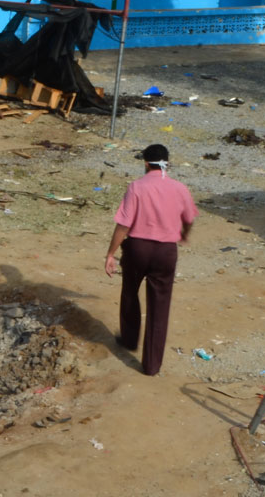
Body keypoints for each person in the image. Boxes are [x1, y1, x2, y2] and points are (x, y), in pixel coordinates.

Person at [103, 144, 197, 375]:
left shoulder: (136, 187)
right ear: (168, 163)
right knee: (160, 305)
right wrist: (183, 234)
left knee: (130, 291)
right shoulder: (179, 188)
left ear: (146, 163)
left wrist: (111, 253)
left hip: (137, 248)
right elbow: (189, 217)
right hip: (166, 252)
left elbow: (123, 225)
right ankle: (152, 365)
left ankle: (129, 339)